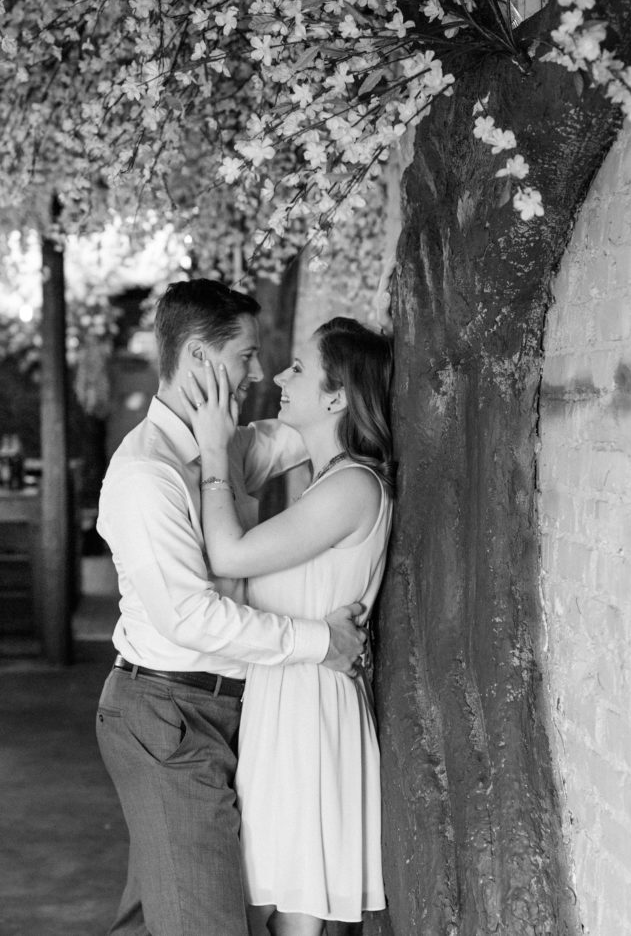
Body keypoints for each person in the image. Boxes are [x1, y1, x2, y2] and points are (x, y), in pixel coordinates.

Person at [95, 280, 367, 936]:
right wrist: (320, 641)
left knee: (169, 914)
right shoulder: (146, 475)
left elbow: (303, 434)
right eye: (245, 356)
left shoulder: (224, 448)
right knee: (205, 923)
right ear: (197, 356)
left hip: (219, 711)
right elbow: (190, 618)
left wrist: (350, 388)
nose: (257, 373)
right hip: (168, 717)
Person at [181, 316, 394, 936]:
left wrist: (215, 449)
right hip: (284, 698)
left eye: (298, 368)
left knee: (294, 911)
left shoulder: (353, 485)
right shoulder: (321, 483)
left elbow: (229, 557)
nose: (277, 375)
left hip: (308, 709)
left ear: (336, 396)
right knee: (267, 904)